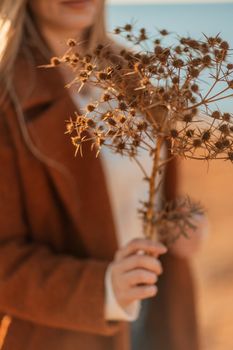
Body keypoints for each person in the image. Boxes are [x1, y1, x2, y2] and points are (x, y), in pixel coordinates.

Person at [0, 1, 207, 349]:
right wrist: (104, 288)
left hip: (163, 314)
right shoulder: (7, 96)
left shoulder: (133, 72)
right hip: (68, 333)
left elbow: (153, 194)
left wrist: (184, 221)